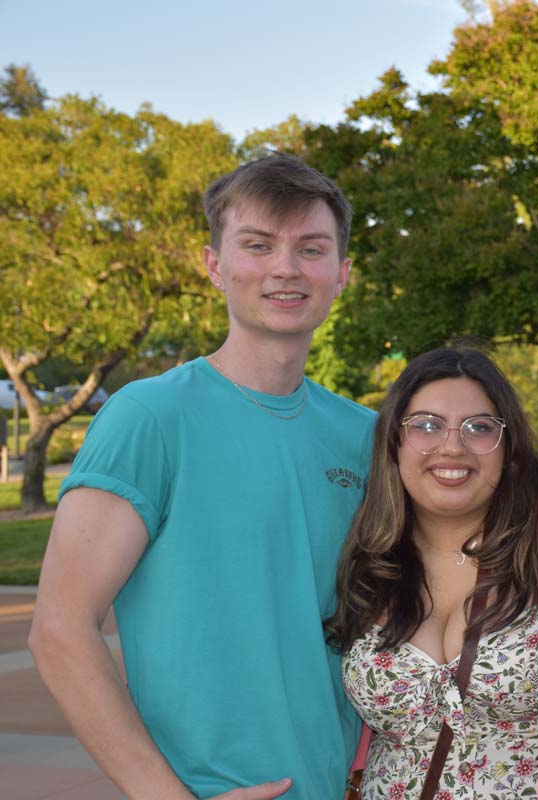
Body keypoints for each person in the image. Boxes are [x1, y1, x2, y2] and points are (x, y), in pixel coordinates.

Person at [30, 154, 375, 799]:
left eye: (311, 248)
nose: (285, 267)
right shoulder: (150, 417)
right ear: (214, 265)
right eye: (258, 245)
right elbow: (59, 629)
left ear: (341, 273)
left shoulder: (365, 436)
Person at [326, 348, 538, 799]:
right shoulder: (365, 553)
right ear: (394, 443)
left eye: (479, 427)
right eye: (426, 425)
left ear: (508, 448)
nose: (452, 447)